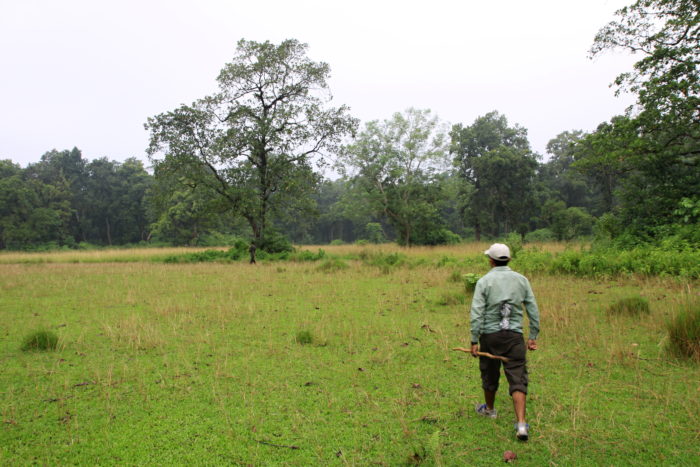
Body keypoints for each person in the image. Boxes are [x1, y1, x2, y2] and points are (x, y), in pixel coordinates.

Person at [470, 242, 540, 441]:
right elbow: (533, 309)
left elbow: (477, 313)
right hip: (514, 337)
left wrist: (474, 339)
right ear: (508, 259)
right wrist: (533, 336)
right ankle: (521, 424)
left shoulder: (484, 281)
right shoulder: (522, 280)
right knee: (517, 377)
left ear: (491, 260)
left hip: (490, 336)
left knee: (489, 371)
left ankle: (490, 409)